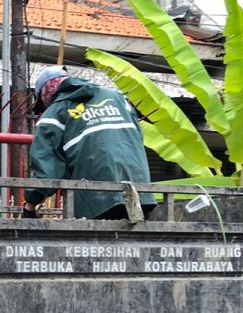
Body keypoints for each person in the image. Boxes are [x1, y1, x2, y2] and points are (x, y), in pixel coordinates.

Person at [23, 65, 156, 220]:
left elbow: (47, 170)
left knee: (99, 242)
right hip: (141, 194)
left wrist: (30, 205)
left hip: (97, 199)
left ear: (46, 91)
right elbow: (137, 139)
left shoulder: (54, 113)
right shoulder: (118, 98)